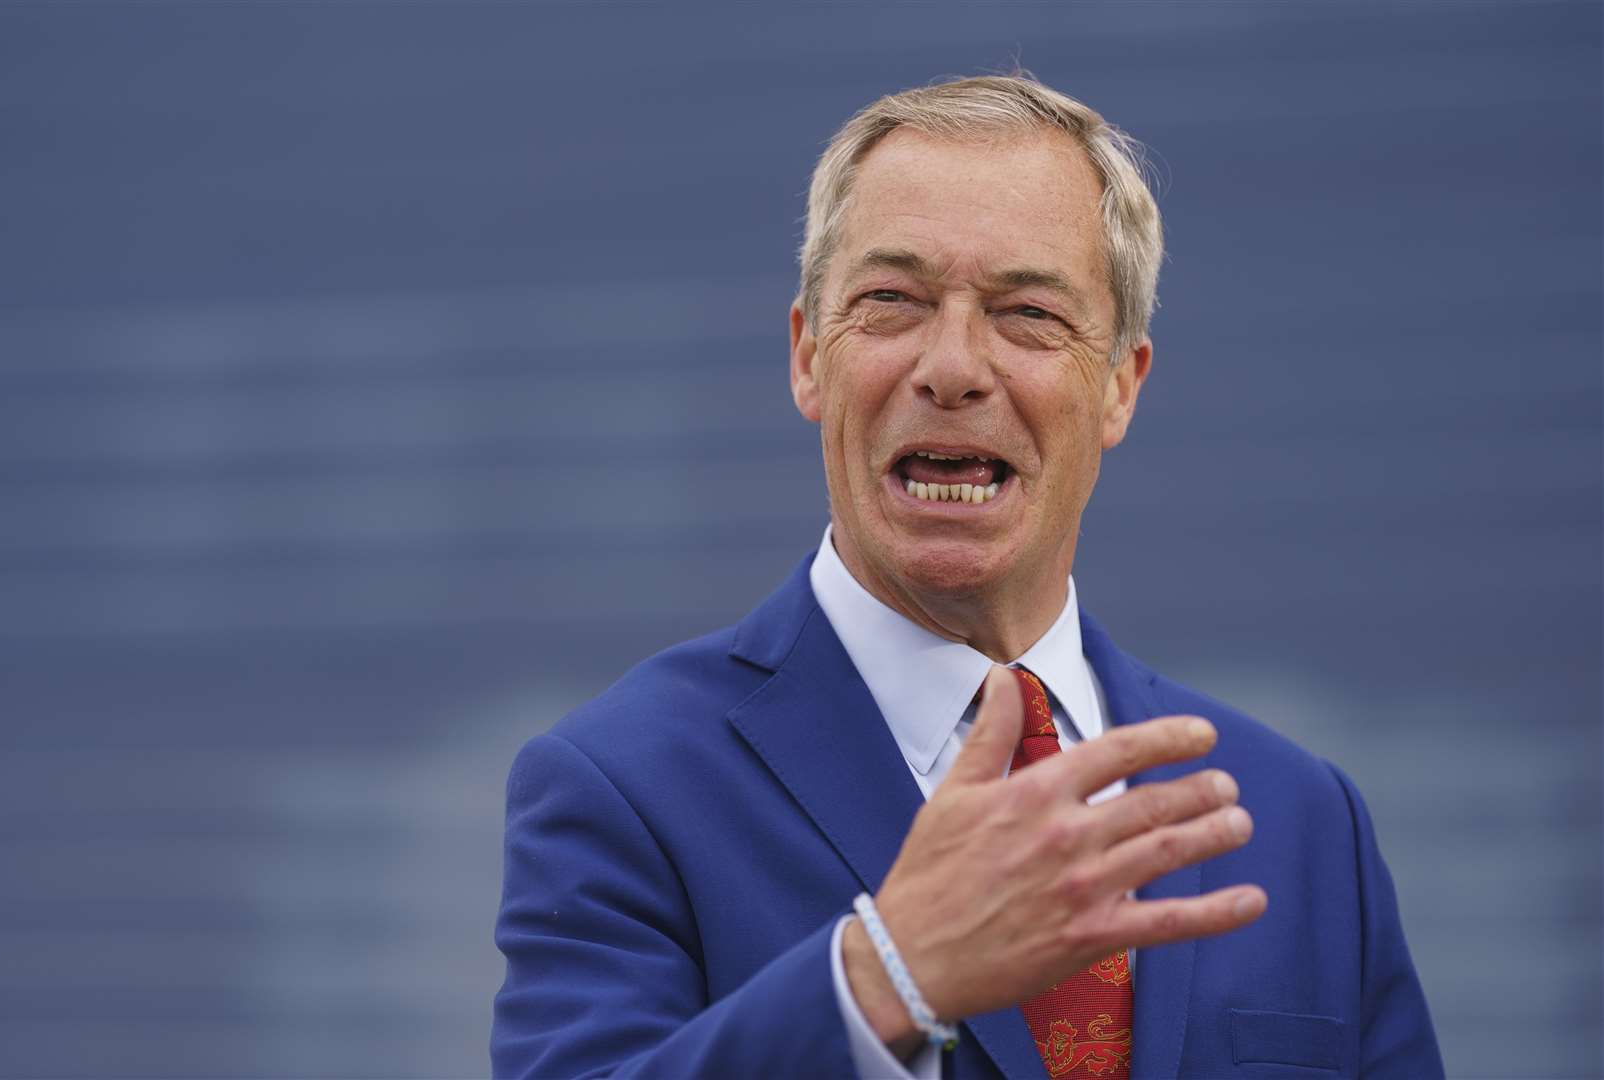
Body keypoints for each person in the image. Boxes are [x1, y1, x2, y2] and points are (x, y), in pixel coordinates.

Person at [490, 74, 1443, 1080]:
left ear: (1120, 384)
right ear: (809, 355)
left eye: (1027, 312)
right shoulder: (621, 787)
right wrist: (883, 981)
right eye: (891, 301)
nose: (951, 367)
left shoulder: (1298, 819)